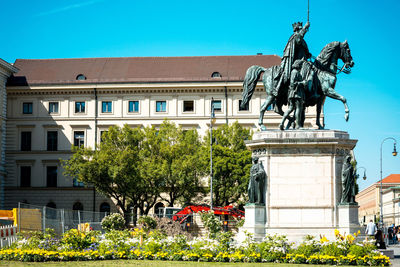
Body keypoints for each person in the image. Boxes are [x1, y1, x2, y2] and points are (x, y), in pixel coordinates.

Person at [275, 21, 311, 98]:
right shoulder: (296, 36)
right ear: (297, 29)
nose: (301, 30)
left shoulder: (300, 39)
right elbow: (299, 40)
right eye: (300, 29)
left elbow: (301, 50)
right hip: (297, 62)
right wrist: (305, 27)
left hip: (300, 61)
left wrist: (308, 54)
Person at [279, 60, 306, 130]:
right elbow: (293, 83)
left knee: (290, 108)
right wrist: (302, 82)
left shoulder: (293, 72)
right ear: (298, 65)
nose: (301, 66)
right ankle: (298, 125)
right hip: (296, 93)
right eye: (300, 65)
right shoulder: (295, 72)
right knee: (298, 108)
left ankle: (282, 123)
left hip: (292, 94)